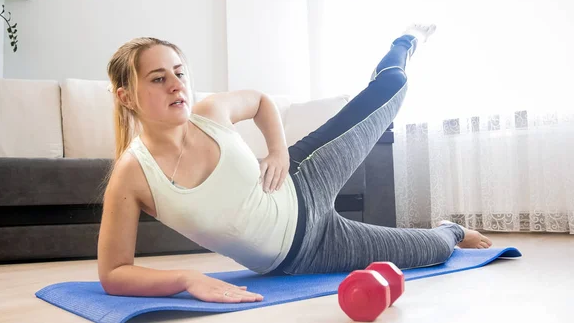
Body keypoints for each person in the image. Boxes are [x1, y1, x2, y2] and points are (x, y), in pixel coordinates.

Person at [97, 24, 493, 304]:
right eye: (157, 78)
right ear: (127, 97)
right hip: (308, 256)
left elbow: (261, 102)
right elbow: (113, 273)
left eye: (179, 73)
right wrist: (185, 278)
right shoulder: (132, 175)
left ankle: (403, 42)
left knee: (393, 88)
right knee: (438, 249)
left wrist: (278, 152)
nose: (175, 85)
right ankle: (452, 227)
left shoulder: (210, 111)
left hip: (306, 177)